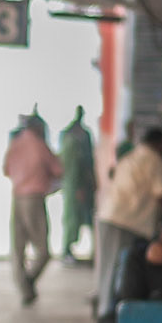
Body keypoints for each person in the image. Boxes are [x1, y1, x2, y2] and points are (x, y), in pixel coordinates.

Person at [96, 125, 162, 323]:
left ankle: (105, 311)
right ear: (160, 144)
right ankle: (110, 318)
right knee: (123, 270)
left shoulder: (131, 156)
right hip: (127, 221)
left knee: (108, 267)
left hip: (110, 215)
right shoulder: (154, 160)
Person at [2, 114, 62, 305]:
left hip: (17, 197)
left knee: (18, 247)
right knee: (43, 251)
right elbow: (58, 169)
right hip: (34, 198)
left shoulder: (15, 144)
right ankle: (28, 283)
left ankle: (23, 287)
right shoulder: (39, 144)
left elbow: (6, 170)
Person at [58, 105, 96, 260]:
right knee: (72, 220)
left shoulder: (83, 135)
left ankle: (89, 251)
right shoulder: (70, 137)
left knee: (88, 218)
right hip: (74, 185)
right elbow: (73, 167)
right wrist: (79, 187)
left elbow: (88, 162)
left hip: (82, 185)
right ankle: (67, 250)